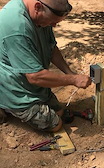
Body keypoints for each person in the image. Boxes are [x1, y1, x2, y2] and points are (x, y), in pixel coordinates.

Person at [0, 0, 92, 132]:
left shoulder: (41, 16)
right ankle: (6, 105)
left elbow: (51, 48)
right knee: (56, 125)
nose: (53, 25)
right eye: (52, 21)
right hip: (13, 88)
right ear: (38, 7)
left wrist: (70, 73)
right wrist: (73, 80)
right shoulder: (16, 28)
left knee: (59, 113)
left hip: (32, 83)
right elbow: (35, 77)